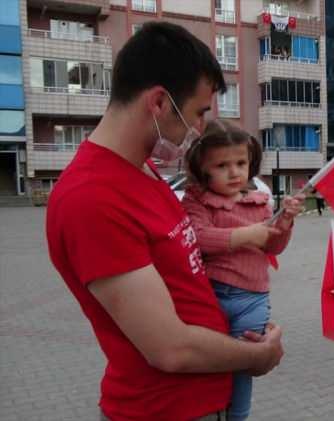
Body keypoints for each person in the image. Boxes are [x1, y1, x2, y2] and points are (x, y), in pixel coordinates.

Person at [45, 22, 284, 420]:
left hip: (202, 402)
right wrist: (256, 356)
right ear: (158, 102)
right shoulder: (93, 199)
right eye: (198, 112)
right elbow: (170, 348)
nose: (201, 128)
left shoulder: (142, 171)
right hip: (164, 410)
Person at [180, 120, 304, 420]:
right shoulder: (197, 200)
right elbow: (198, 237)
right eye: (222, 165)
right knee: (208, 364)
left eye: (241, 163)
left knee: (243, 369)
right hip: (210, 296)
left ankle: (238, 416)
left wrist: (284, 224)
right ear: (202, 168)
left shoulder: (259, 203)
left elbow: (272, 248)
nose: (234, 172)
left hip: (252, 300)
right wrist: (248, 235)